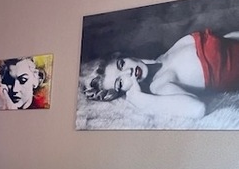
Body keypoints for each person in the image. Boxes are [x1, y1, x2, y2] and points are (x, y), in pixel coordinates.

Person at [79, 29, 239, 118]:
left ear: (124, 56)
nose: (128, 71)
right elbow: (197, 110)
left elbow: (226, 39)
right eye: (120, 82)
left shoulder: (167, 53)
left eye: (121, 64)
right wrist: (140, 99)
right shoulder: (160, 85)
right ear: (124, 90)